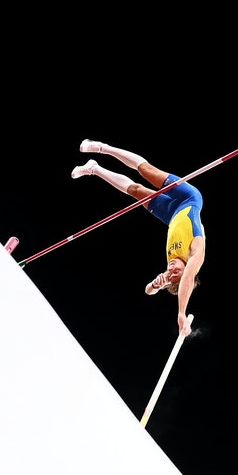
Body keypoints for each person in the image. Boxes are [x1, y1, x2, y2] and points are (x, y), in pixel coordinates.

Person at [71, 140, 205, 336]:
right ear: (187, 273)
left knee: (136, 191)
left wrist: (157, 285)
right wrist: (181, 313)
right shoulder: (196, 253)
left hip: (170, 214)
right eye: (177, 273)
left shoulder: (172, 268)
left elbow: (148, 291)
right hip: (189, 199)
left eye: (171, 274)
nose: (172, 269)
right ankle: (101, 147)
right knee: (146, 170)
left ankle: (94, 168)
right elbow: (187, 279)